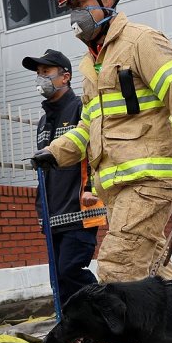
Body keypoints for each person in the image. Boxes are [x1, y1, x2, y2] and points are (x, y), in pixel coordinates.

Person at [30, 0, 172, 343]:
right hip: (118, 190)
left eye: (80, 4)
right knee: (156, 277)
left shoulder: (143, 41)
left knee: (116, 271)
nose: (74, 15)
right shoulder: (91, 63)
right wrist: (56, 152)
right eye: (70, 8)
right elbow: (90, 127)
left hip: (148, 182)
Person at [22, 49, 106, 321]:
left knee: (71, 271)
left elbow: (95, 151)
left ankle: (106, 316)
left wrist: (92, 190)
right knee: (58, 278)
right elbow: (45, 171)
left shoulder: (80, 109)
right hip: (52, 214)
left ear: (65, 76)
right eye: (38, 73)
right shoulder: (43, 122)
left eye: (46, 72)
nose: (41, 78)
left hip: (79, 210)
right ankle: (73, 327)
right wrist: (40, 209)